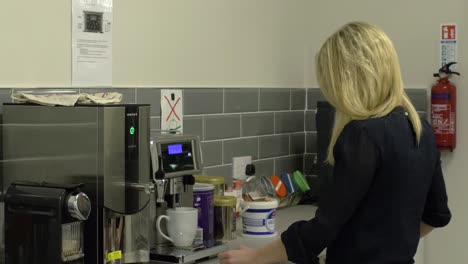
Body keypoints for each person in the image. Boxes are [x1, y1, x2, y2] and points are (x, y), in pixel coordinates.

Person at [218, 21, 451, 264]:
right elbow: (436, 215)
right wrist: (389, 243)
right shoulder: (419, 128)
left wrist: (256, 257)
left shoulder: (362, 134)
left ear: (348, 79)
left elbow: (323, 228)